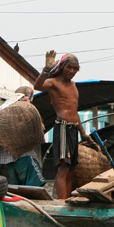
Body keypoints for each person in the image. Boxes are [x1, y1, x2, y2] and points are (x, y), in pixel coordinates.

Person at [34, 51, 97, 200]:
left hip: (74, 129)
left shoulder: (74, 86)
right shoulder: (54, 82)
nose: (72, 71)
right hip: (62, 127)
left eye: (75, 68)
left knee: (71, 169)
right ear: (62, 67)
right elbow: (38, 86)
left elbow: (75, 112)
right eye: (69, 67)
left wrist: (83, 133)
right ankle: (61, 203)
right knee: (63, 168)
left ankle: (66, 200)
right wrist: (46, 70)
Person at [0, 87, 46, 187]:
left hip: (6, 160)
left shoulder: (2, 109)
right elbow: (38, 128)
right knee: (33, 187)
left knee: (14, 189)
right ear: (29, 96)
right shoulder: (26, 109)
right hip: (24, 156)